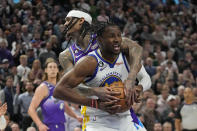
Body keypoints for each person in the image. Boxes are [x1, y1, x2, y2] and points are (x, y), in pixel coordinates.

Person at [54, 22, 147, 131]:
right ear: (100, 40)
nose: (117, 39)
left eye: (119, 35)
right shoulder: (89, 62)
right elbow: (59, 90)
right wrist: (95, 97)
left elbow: (138, 49)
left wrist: (134, 82)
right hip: (98, 121)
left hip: (125, 118)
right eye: (111, 36)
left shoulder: (125, 54)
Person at [28, 58, 82, 131]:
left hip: (61, 126)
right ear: (46, 70)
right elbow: (31, 109)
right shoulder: (43, 87)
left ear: (57, 70)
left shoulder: (60, 88)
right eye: (50, 67)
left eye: (54, 67)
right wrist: (39, 124)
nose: (52, 69)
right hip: (49, 126)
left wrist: (76, 117)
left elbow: (65, 107)